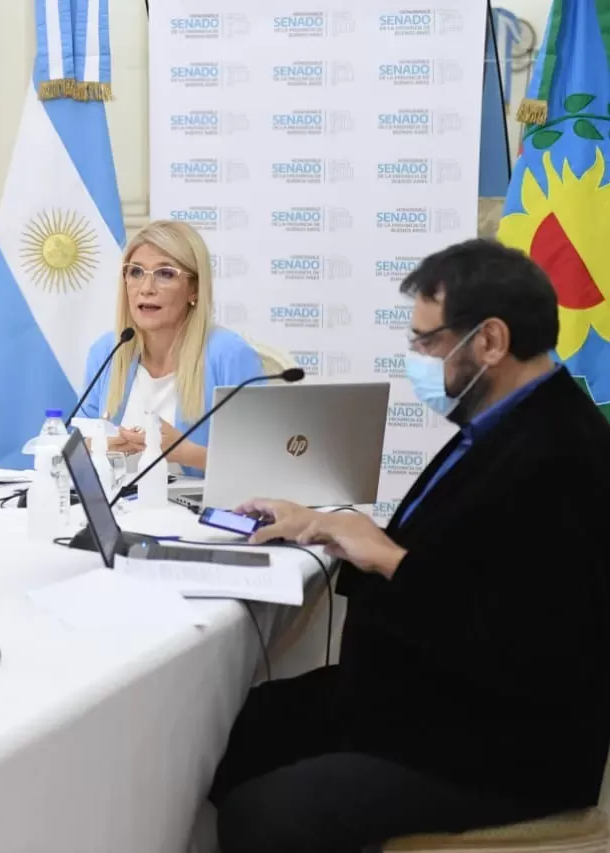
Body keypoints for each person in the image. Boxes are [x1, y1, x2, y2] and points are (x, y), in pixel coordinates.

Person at [208, 239, 610, 853]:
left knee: (264, 814)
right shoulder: (502, 422)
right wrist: (331, 528)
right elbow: (457, 560)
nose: (418, 358)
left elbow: (527, 645)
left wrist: (389, 557)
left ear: (490, 341)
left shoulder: (565, 454)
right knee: (247, 727)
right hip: (431, 699)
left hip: (499, 747)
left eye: (427, 342)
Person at [76, 220, 263, 475]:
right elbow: (76, 444)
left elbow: (260, 463)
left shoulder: (229, 355)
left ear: (194, 289)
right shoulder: (108, 350)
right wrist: (100, 446)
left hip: (195, 501)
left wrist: (185, 453)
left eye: (165, 274)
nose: (146, 289)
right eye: (136, 272)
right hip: (118, 498)